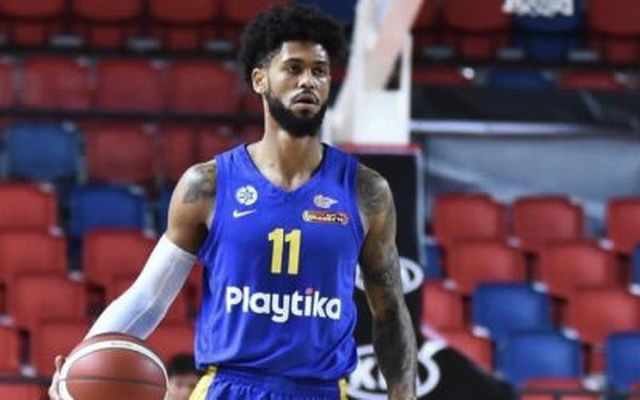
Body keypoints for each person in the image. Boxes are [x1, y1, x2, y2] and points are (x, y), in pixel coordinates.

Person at [49, 4, 417, 400]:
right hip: (230, 387)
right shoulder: (207, 185)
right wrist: (78, 363)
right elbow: (148, 298)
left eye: (319, 71)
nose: (308, 81)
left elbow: (390, 311)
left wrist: (404, 394)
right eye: (293, 68)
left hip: (321, 390)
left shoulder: (366, 191)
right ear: (260, 79)